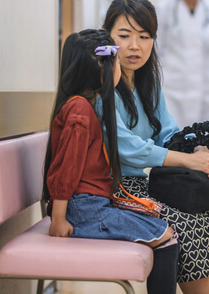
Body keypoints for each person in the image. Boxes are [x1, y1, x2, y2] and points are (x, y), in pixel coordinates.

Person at [101, 0, 209, 294]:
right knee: (186, 224)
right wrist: (187, 161)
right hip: (112, 191)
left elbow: (167, 132)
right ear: (107, 38)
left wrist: (195, 147)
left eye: (145, 36)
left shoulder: (148, 82)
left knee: (208, 218)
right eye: (124, 35)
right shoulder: (101, 84)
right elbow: (125, 146)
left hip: (141, 189)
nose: (135, 46)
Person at [42, 29, 179, 294]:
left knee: (163, 228)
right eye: (115, 59)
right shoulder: (80, 110)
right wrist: (59, 219)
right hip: (84, 211)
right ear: (102, 69)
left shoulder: (82, 106)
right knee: (166, 237)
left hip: (89, 206)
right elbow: (66, 169)